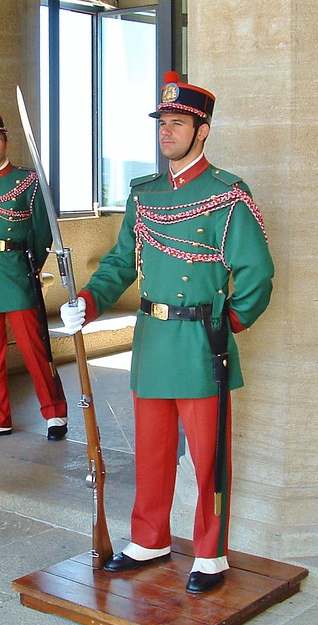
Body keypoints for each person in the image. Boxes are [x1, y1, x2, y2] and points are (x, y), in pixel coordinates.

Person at [60, 72, 274, 593]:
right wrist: (86, 301)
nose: (167, 132)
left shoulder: (227, 195)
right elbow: (119, 263)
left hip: (202, 343)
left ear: (203, 131)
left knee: (207, 456)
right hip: (152, 339)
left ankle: (210, 553)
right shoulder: (145, 194)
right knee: (151, 449)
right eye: (163, 123)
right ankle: (150, 538)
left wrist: (223, 326)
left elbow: (256, 275)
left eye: (178, 123)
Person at [0, 107, 68, 442]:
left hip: (19, 271)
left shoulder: (28, 180)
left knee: (35, 349)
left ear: (6, 143)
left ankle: (55, 414)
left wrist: (30, 265)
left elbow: (41, 231)